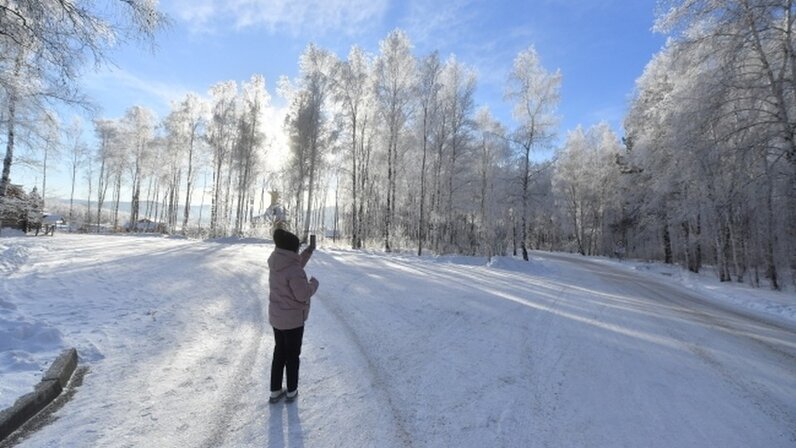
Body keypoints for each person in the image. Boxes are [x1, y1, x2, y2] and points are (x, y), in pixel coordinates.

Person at [268, 228, 319, 403]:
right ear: (291, 250)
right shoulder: (294, 270)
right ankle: (291, 391)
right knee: (292, 356)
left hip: (277, 318)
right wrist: (313, 284)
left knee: (279, 353)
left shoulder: (277, 261)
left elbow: (295, 265)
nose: (298, 252)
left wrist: (309, 251)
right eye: (297, 249)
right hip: (293, 321)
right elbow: (303, 294)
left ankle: (275, 390)